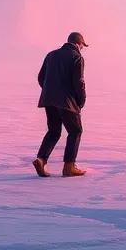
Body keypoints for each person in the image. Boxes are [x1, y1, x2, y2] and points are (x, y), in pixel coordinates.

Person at [32, 32, 88, 178]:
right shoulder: (77, 57)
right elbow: (79, 83)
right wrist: (81, 101)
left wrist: (50, 92)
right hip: (67, 101)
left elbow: (41, 78)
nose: (82, 49)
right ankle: (69, 167)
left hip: (48, 100)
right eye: (82, 46)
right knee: (75, 131)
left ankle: (41, 159)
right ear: (78, 43)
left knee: (54, 131)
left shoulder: (51, 55)